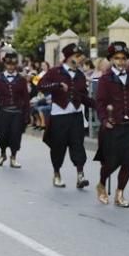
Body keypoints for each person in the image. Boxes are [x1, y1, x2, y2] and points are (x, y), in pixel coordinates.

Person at [94, 41, 129, 207]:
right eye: (117, 58)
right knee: (111, 162)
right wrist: (105, 120)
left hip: (128, 127)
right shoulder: (105, 79)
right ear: (111, 59)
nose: (121, 62)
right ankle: (101, 184)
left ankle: (119, 193)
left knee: (127, 162)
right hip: (112, 127)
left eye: (123, 58)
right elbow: (99, 103)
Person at [37, 43, 91, 188]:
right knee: (58, 146)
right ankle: (57, 173)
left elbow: (83, 96)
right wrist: (57, 85)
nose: (80, 59)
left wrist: (99, 106)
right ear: (68, 58)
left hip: (76, 115)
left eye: (81, 56)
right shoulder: (56, 72)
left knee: (78, 145)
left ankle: (80, 175)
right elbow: (40, 86)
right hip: (59, 116)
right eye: (77, 56)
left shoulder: (80, 75)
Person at [0, 47, 30, 168]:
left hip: (17, 112)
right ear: (5, 64)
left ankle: (13, 157)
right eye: (8, 64)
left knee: (16, 135)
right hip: (3, 112)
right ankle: (3, 154)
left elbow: (26, 99)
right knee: (3, 135)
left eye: (13, 65)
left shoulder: (21, 80)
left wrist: (26, 115)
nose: (10, 67)